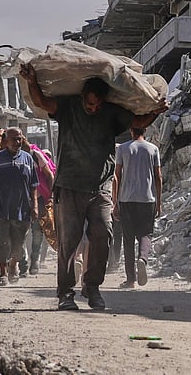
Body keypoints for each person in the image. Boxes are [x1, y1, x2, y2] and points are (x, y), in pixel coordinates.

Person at [19, 64, 166, 311]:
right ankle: (66, 293)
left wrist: (158, 111)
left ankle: (92, 287)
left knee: (103, 235)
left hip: (100, 187)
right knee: (69, 241)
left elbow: (140, 120)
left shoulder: (111, 112)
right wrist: (33, 81)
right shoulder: (68, 107)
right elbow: (42, 102)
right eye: (90, 104)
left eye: (97, 105)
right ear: (82, 97)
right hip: (69, 186)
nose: (93, 108)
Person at [0, 127, 40, 286]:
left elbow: (34, 185)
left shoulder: (28, 159)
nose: (17, 142)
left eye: (20, 138)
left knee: (18, 242)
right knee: (1, 241)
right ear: (6, 141)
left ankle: (13, 265)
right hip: (0, 207)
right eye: (14, 139)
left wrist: (35, 205)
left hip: (22, 209)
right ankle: (3, 273)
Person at [113, 127, 162, 289]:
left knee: (128, 239)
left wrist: (115, 202)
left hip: (126, 199)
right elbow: (158, 177)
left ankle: (131, 280)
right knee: (145, 234)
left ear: (131, 130)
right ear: (145, 130)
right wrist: (159, 202)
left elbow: (117, 176)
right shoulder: (153, 149)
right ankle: (143, 258)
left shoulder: (123, 148)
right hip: (147, 199)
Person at [19, 141, 56, 276]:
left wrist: (50, 197)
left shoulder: (35, 155)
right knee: (19, 231)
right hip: (21, 198)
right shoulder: (12, 156)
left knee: (37, 232)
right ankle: (22, 262)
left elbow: (50, 176)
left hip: (39, 198)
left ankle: (34, 260)